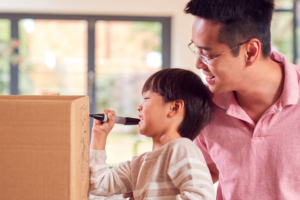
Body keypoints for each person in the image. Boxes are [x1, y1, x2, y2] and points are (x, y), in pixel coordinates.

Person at [182, 0, 300, 199]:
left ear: (251, 52)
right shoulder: (203, 105)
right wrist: (152, 184)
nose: (198, 64)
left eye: (208, 54)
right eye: (197, 51)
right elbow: (207, 170)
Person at [90, 68, 216, 200]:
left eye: (146, 98)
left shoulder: (182, 149)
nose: (139, 106)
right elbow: (98, 185)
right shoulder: (139, 165)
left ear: (174, 108)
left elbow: (202, 197)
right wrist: (99, 135)